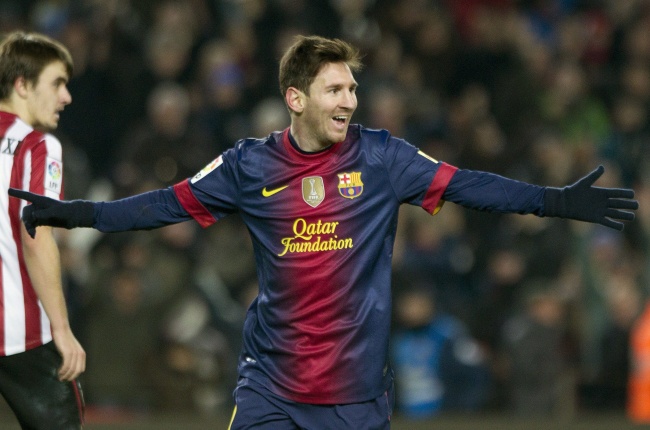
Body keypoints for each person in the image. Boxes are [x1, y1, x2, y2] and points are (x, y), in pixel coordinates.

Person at [9, 35, 638, 429]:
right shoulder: (248, 165)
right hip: (271, 389)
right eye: (334, 89)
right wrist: (77, 214)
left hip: (354, 398)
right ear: (296, 98)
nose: (349, 100)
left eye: (353, 88)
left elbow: (470, 184)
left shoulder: (383, 157)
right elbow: (161, 206)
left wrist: (554, 201)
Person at [0, 31, 85, 429]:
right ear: (22, 85)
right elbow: (36, 238)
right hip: (21, 334)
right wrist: (62, 329)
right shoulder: (37, 146)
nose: (66, 97)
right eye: (57, 83)